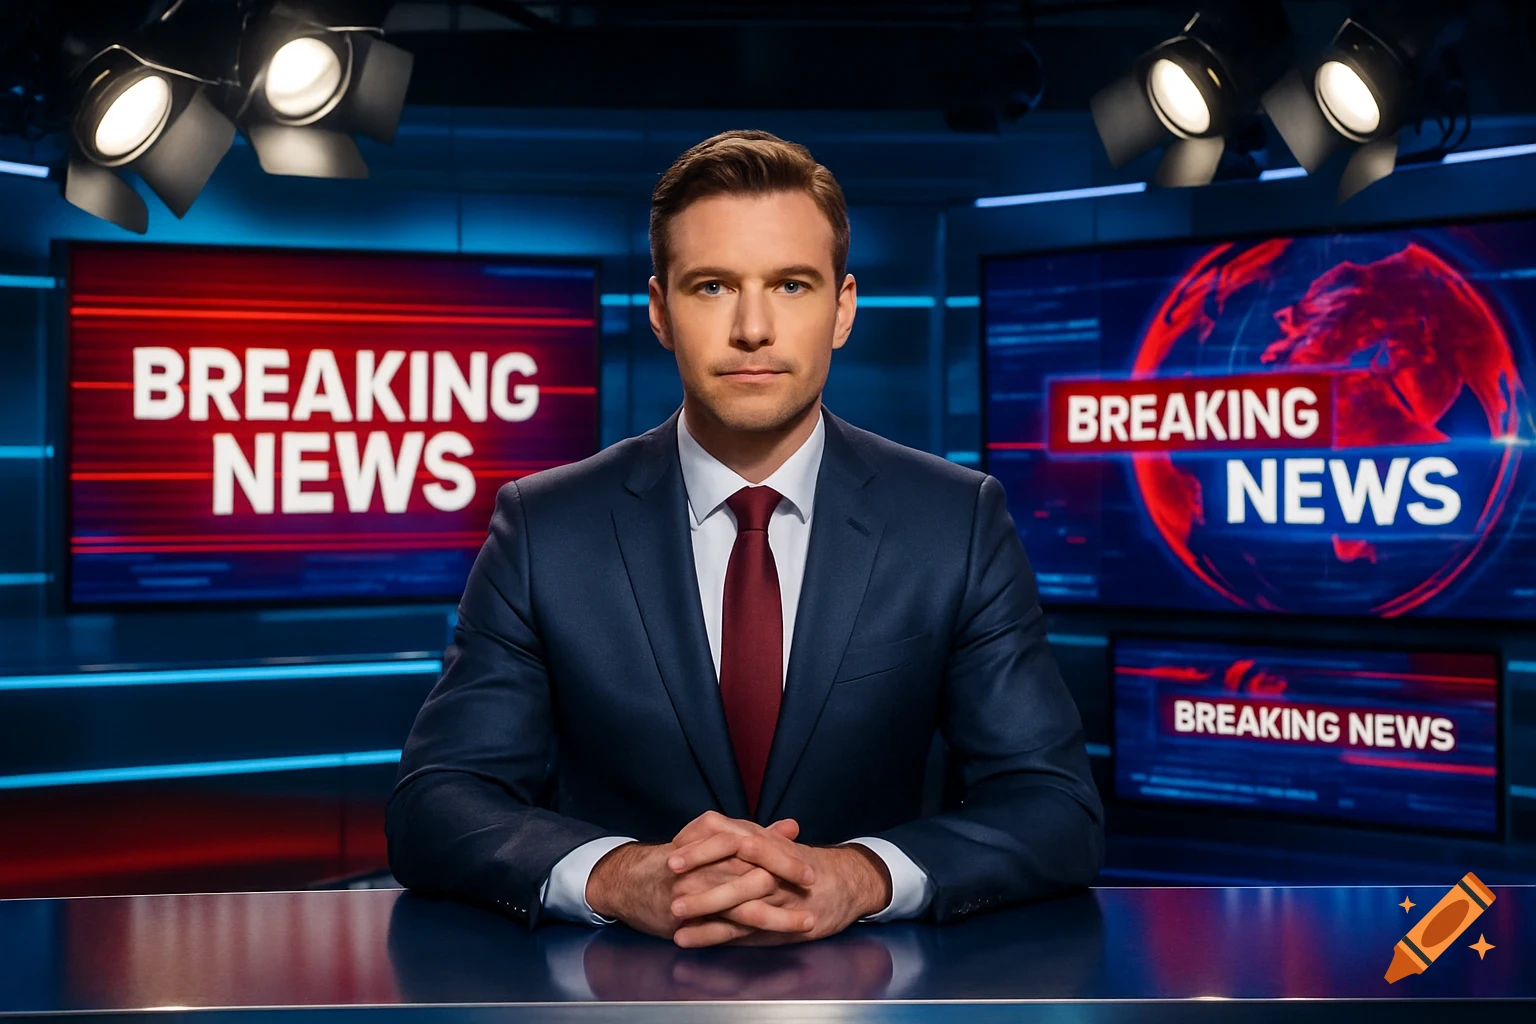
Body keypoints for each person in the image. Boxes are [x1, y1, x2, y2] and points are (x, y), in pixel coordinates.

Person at [386, 129, 1103, 948]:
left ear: (843, 309)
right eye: (713, 286)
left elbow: (1055, 806)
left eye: (791, 285)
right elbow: (436, 802)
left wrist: (861, 877)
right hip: (618, 989)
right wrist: (618, 875)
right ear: (661, 311)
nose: (753, 328)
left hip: (879, 991)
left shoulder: (956, 521)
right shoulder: (545, 528)